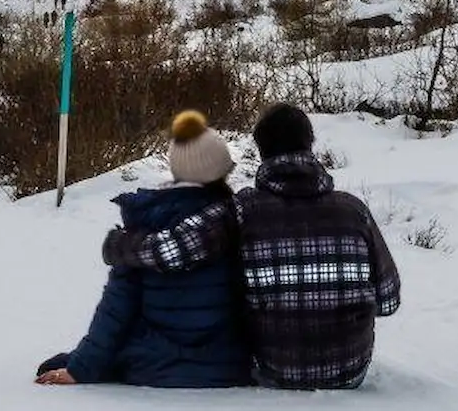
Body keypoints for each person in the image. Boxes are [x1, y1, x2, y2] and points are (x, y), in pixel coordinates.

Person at [102, 103, 400, 390]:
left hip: (275, 367)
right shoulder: (354, 210)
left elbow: (174, 250)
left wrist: (120, 245)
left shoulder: (243, 209)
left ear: (261, 151)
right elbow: (388, 301)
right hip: (350, 369)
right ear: (309, 145)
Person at [34, 111, 251, 388]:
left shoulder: (145, 225)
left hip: (155, 365)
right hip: (226, 365)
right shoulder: (238, 219)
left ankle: (91, 360)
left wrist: (80, 368)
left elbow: (116, 309)